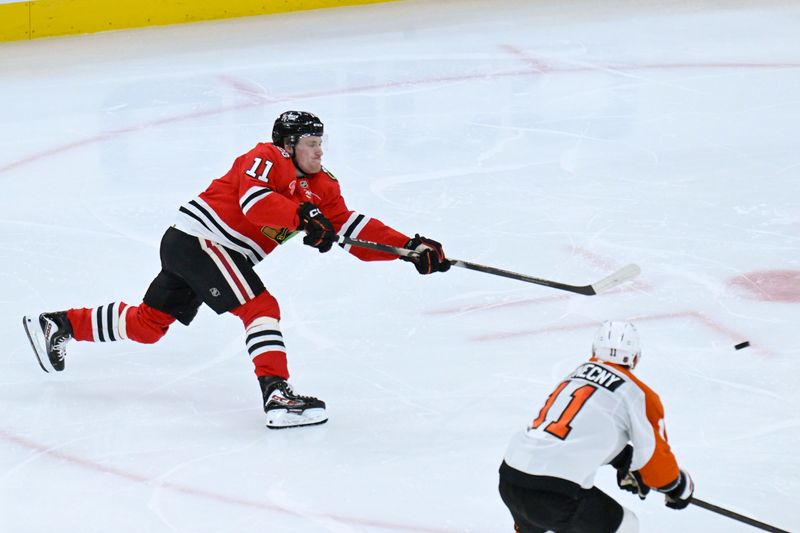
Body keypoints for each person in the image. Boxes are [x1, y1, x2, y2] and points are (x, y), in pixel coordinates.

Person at [22, 110, 450, 429]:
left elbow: (350, 228)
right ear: (288, 146)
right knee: (260, 307)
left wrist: (408, 248)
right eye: (310, 143)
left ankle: (58, 325)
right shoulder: (265, 158)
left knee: (149, 325)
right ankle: (277, 395)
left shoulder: (323, 185)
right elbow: (255, 203)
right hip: (200, 241)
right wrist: (303, 217)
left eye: (321, 143)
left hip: (201, 249)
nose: (319, 150)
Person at [498, 320, 694, 532]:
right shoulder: (638, 393)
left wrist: (623, 459)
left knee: (536, 519)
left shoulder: (574, 377)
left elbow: (575, 433)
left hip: (510, 479)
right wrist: (677, 486)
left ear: (594, 351)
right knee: (627, 525)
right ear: (636, 358)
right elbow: (657, 469)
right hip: (553, 494)